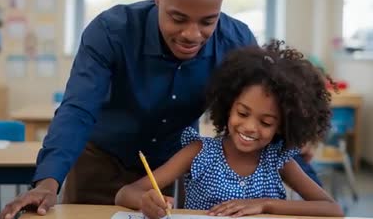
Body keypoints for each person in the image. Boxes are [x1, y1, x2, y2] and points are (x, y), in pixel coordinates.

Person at [0, 0, 256, 218]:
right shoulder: (111, 32)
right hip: (99, 163)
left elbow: (265, 113)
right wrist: (47, 183)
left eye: (207, 21)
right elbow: (78, 110)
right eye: (178, 19)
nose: (192, 34)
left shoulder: (236, 43)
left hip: (162, 173)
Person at [115, 40, 343, 218]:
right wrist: (146, 200)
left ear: (282, 126)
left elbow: (332, 209)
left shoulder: (278, 160)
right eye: (242, 113)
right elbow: (125, 194)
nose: (250, 127)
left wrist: (265, 205)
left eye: (266, 123)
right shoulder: (199, 152)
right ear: (227, 106)